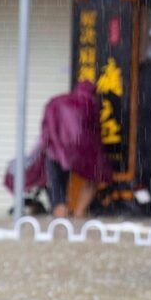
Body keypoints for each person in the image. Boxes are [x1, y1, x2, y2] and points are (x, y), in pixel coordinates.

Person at [40, 80, 110, 218]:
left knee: (58, 189)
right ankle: (79, 212)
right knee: (94, 178)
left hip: (55, 151)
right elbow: (94, 132)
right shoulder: (91, 104)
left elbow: (46, 125)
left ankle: (60, 218)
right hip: (80, 152)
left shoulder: (56, 101)